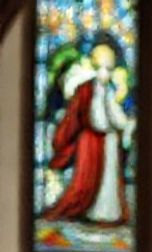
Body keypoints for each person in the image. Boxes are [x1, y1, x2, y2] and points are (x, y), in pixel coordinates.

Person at [43, 41, 135, 225]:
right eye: (101, 67)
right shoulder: (85, 89)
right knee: (88, 182)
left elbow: (114, 114)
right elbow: (80, 118)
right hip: (91, 142)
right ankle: (92, 212)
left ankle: (109, 213)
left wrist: (125, 123)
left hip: (108, 141)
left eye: (109, 68)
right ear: (93, 66)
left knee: (108, 181)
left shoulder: (109, 90)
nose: (105, 73)